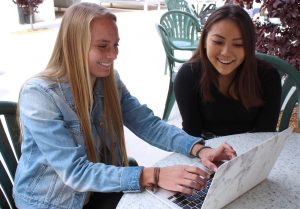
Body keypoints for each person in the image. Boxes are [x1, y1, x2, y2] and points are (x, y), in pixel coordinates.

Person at [13, 2, 236, 209]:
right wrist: (154, 174)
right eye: (102, 46)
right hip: (50, 202)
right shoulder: (39, 95)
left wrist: (200, 148)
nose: (113, 54)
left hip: (95, 190)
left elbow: (148, 124)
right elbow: (75, 172)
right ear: (74, 46)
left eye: (115, 45)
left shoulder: (108, 81)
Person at [174, 4, 282, 139]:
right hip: (206, 152)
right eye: (218, 42)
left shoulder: (267, 76)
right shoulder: (188, 75)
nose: (226, 53)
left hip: (254, 151)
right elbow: (191, 133)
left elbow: (265, 133)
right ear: (205, 40)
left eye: (238, 44)